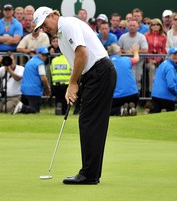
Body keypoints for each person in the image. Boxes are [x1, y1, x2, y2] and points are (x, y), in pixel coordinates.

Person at [33, 7, 116, 184]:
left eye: (44, 23)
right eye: (41, 27)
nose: (44, 29)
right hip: (93, 75)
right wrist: (76, 84)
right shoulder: (61, 37)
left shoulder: (68, 24)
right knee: (90, 122)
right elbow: (78, 60)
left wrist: (72, 83)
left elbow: (82, 53)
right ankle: (91, 172)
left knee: (89, 122)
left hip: (99, 72)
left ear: (53, 15)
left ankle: (89, 174)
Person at [13, 46, 51, 114]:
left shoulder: (30, 61)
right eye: (44, 55)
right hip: (34, 90)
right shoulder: (40, 63)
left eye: (46, 55)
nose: (45, 57)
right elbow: (43, 78)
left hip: (25, 89)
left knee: (27, 111)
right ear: (38, 54)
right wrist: (48, 89)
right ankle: (21, 107)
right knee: (35, 110)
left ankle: (21, 107)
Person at [108, 44, 140, 116]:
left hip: (117, 97)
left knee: (107, 110)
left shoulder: (107, 63)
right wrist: (135, 51)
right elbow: (136, 59)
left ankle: (121, 109)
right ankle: (131, 109)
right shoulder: (126, 59)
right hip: (133, 94)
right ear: (119, 52)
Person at [118, 20, 148, 93]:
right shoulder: (123, 37)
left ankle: (136, 100)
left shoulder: (141, 37)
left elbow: (145, 50)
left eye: (134, 26)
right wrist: (126, 52)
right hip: (126, 64)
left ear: (137, 27)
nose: (132, 27)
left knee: (137, 81)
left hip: (138, 64)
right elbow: (118, 49)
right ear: (127, 27)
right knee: (125, 81)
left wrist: (135, 52)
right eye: (130, 26)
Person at [150, 47, 177, 113]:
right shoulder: (170, 67)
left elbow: (154, 78)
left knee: (155, 118)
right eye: (174, 54)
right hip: (166, 96)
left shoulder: (163, 64)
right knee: (171, 118)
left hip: (155, 94)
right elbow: (171, 85)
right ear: (169, 55)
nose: (176, 56)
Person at [144, 18, 167, 95]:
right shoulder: (146, 35)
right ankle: (151, 92)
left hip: (159, 60)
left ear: (160, 26)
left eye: (157, 25)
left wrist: (157, 60)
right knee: (152, 68)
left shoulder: (164, 36)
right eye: (153, 25)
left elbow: (163, 51)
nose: (155, 26)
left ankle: (160, 93)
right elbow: (146, 49)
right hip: (149, 60)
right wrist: (150, 60)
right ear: (150, 27)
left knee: (162, 71)